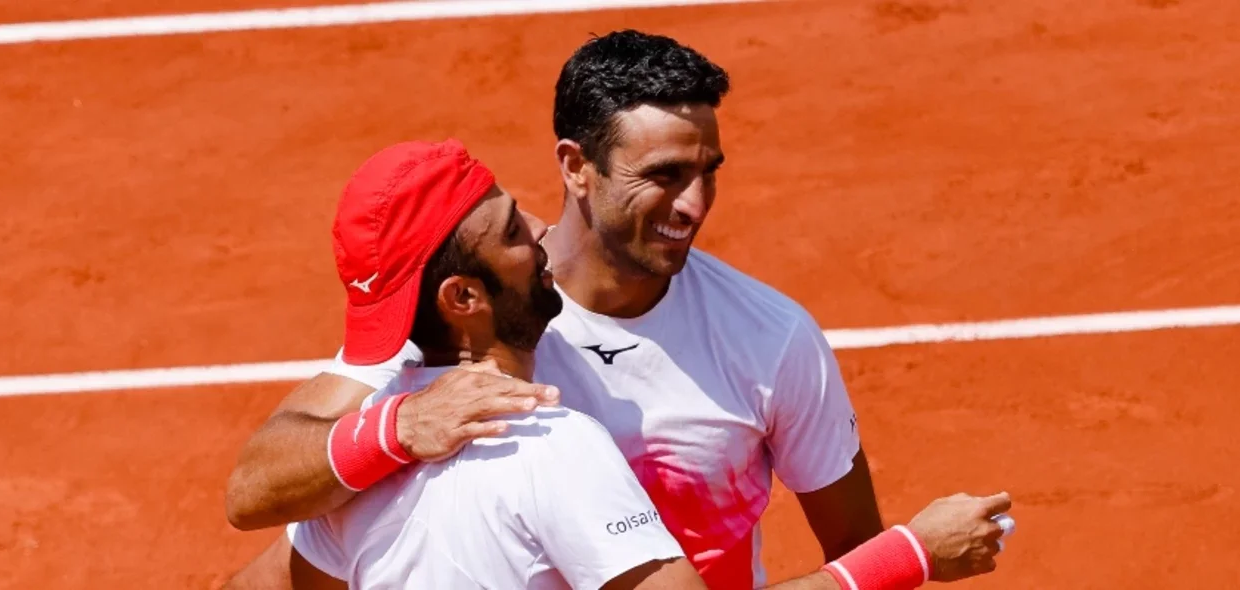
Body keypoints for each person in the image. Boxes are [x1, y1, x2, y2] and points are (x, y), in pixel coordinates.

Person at [225, 30, 1016, 589]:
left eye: (707, 170)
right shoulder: (451, 355)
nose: (694, 203)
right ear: (576, 166)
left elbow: (850, 541)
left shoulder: (773, 340)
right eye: (664, 175)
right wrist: (400, 427)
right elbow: (257, 496)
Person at [286, 137, 699, 589]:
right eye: (511, 232)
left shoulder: (357, 464)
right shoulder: (551, 444)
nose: (539, 227)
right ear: (464, 297)